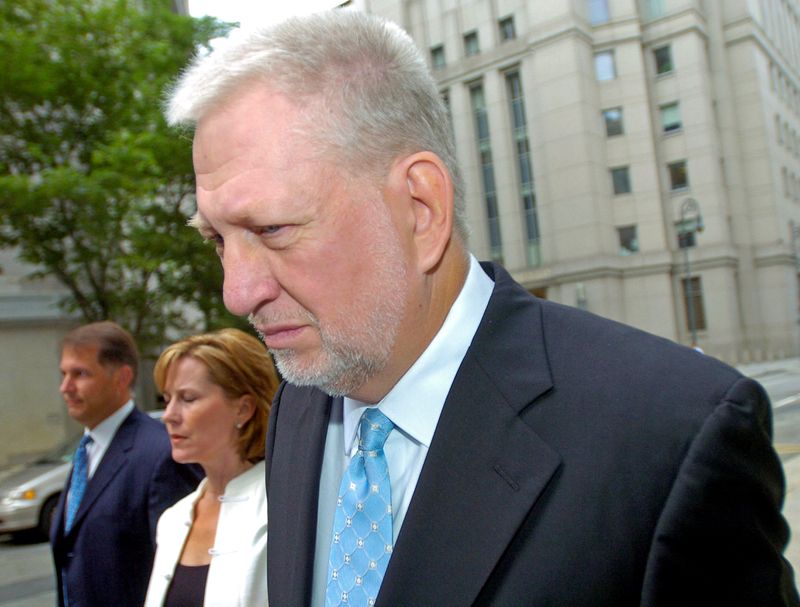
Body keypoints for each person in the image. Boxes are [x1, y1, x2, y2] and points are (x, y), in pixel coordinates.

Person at [166, 10, 800, 607]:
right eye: (219, 240)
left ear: (420, 209)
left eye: (274, 229)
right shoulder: (299, 406)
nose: (237, 293)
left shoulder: (673, 436)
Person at [50, 321, 202, 607]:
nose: (65, 387)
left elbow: (179, 571)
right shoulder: (86, 452)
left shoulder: (161, 454)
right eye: (63, 374)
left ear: (122, 378)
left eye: (80, 374)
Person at [144, 328, 279, 607]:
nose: (169, 415)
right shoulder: (173, 519)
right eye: (167, 399)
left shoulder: (281, 508)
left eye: (188, 399)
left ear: (244, 408)